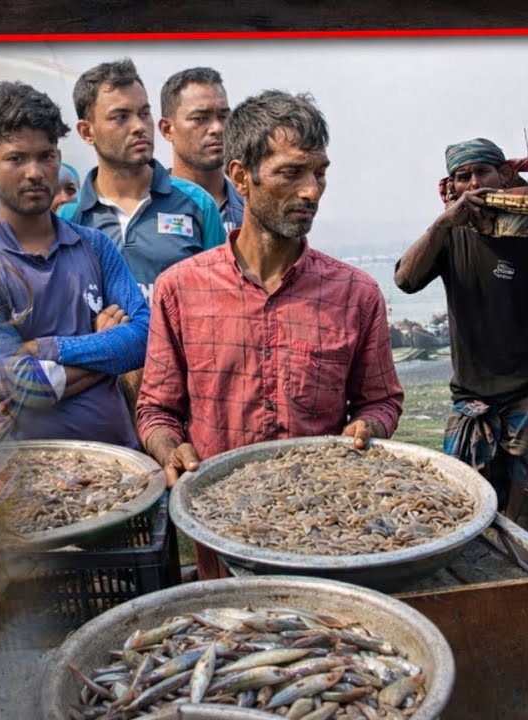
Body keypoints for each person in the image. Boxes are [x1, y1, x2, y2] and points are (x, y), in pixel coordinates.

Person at [137, 90, 404, 578]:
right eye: (291, 173)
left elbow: (382, 400)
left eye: (319, 173)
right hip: (217, 530)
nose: (311, 191)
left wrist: (369, 428)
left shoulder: (356, 293)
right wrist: (167, 446)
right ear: (241, 177)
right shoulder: (181, 289)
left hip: (324, 530)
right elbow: (156, 409)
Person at [394, 137, 528, 537]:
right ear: (452, 187)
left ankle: (524, 587)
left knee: (527, 506)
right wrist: (442, 223)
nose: (475, 183)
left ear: (504, 176)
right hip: (471, 396)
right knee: (468, 503)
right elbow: (405, 280)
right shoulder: (448, 235)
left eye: (482, 172)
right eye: (463, 176)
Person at [0, 80, 150, 448]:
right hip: (27, 476)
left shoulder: (95, 247)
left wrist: (51, 349)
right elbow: (21, 385)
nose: (34, 172)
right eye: (16, 158)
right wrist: (103, 347)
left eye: (46, 156)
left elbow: (142, 340)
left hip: (120, 464)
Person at [65, 57, 227, 301]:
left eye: (144, 113)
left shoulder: (198, 204)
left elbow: (222, 301)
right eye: (120, 117)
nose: (139, 126)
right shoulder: (68, 218)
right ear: (87, 132)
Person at [157, 66, 244, 233]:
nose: (217, 128)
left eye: (223, 117)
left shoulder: (253, 213)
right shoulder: (148, 210)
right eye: (200, 119)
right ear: (167, 129)